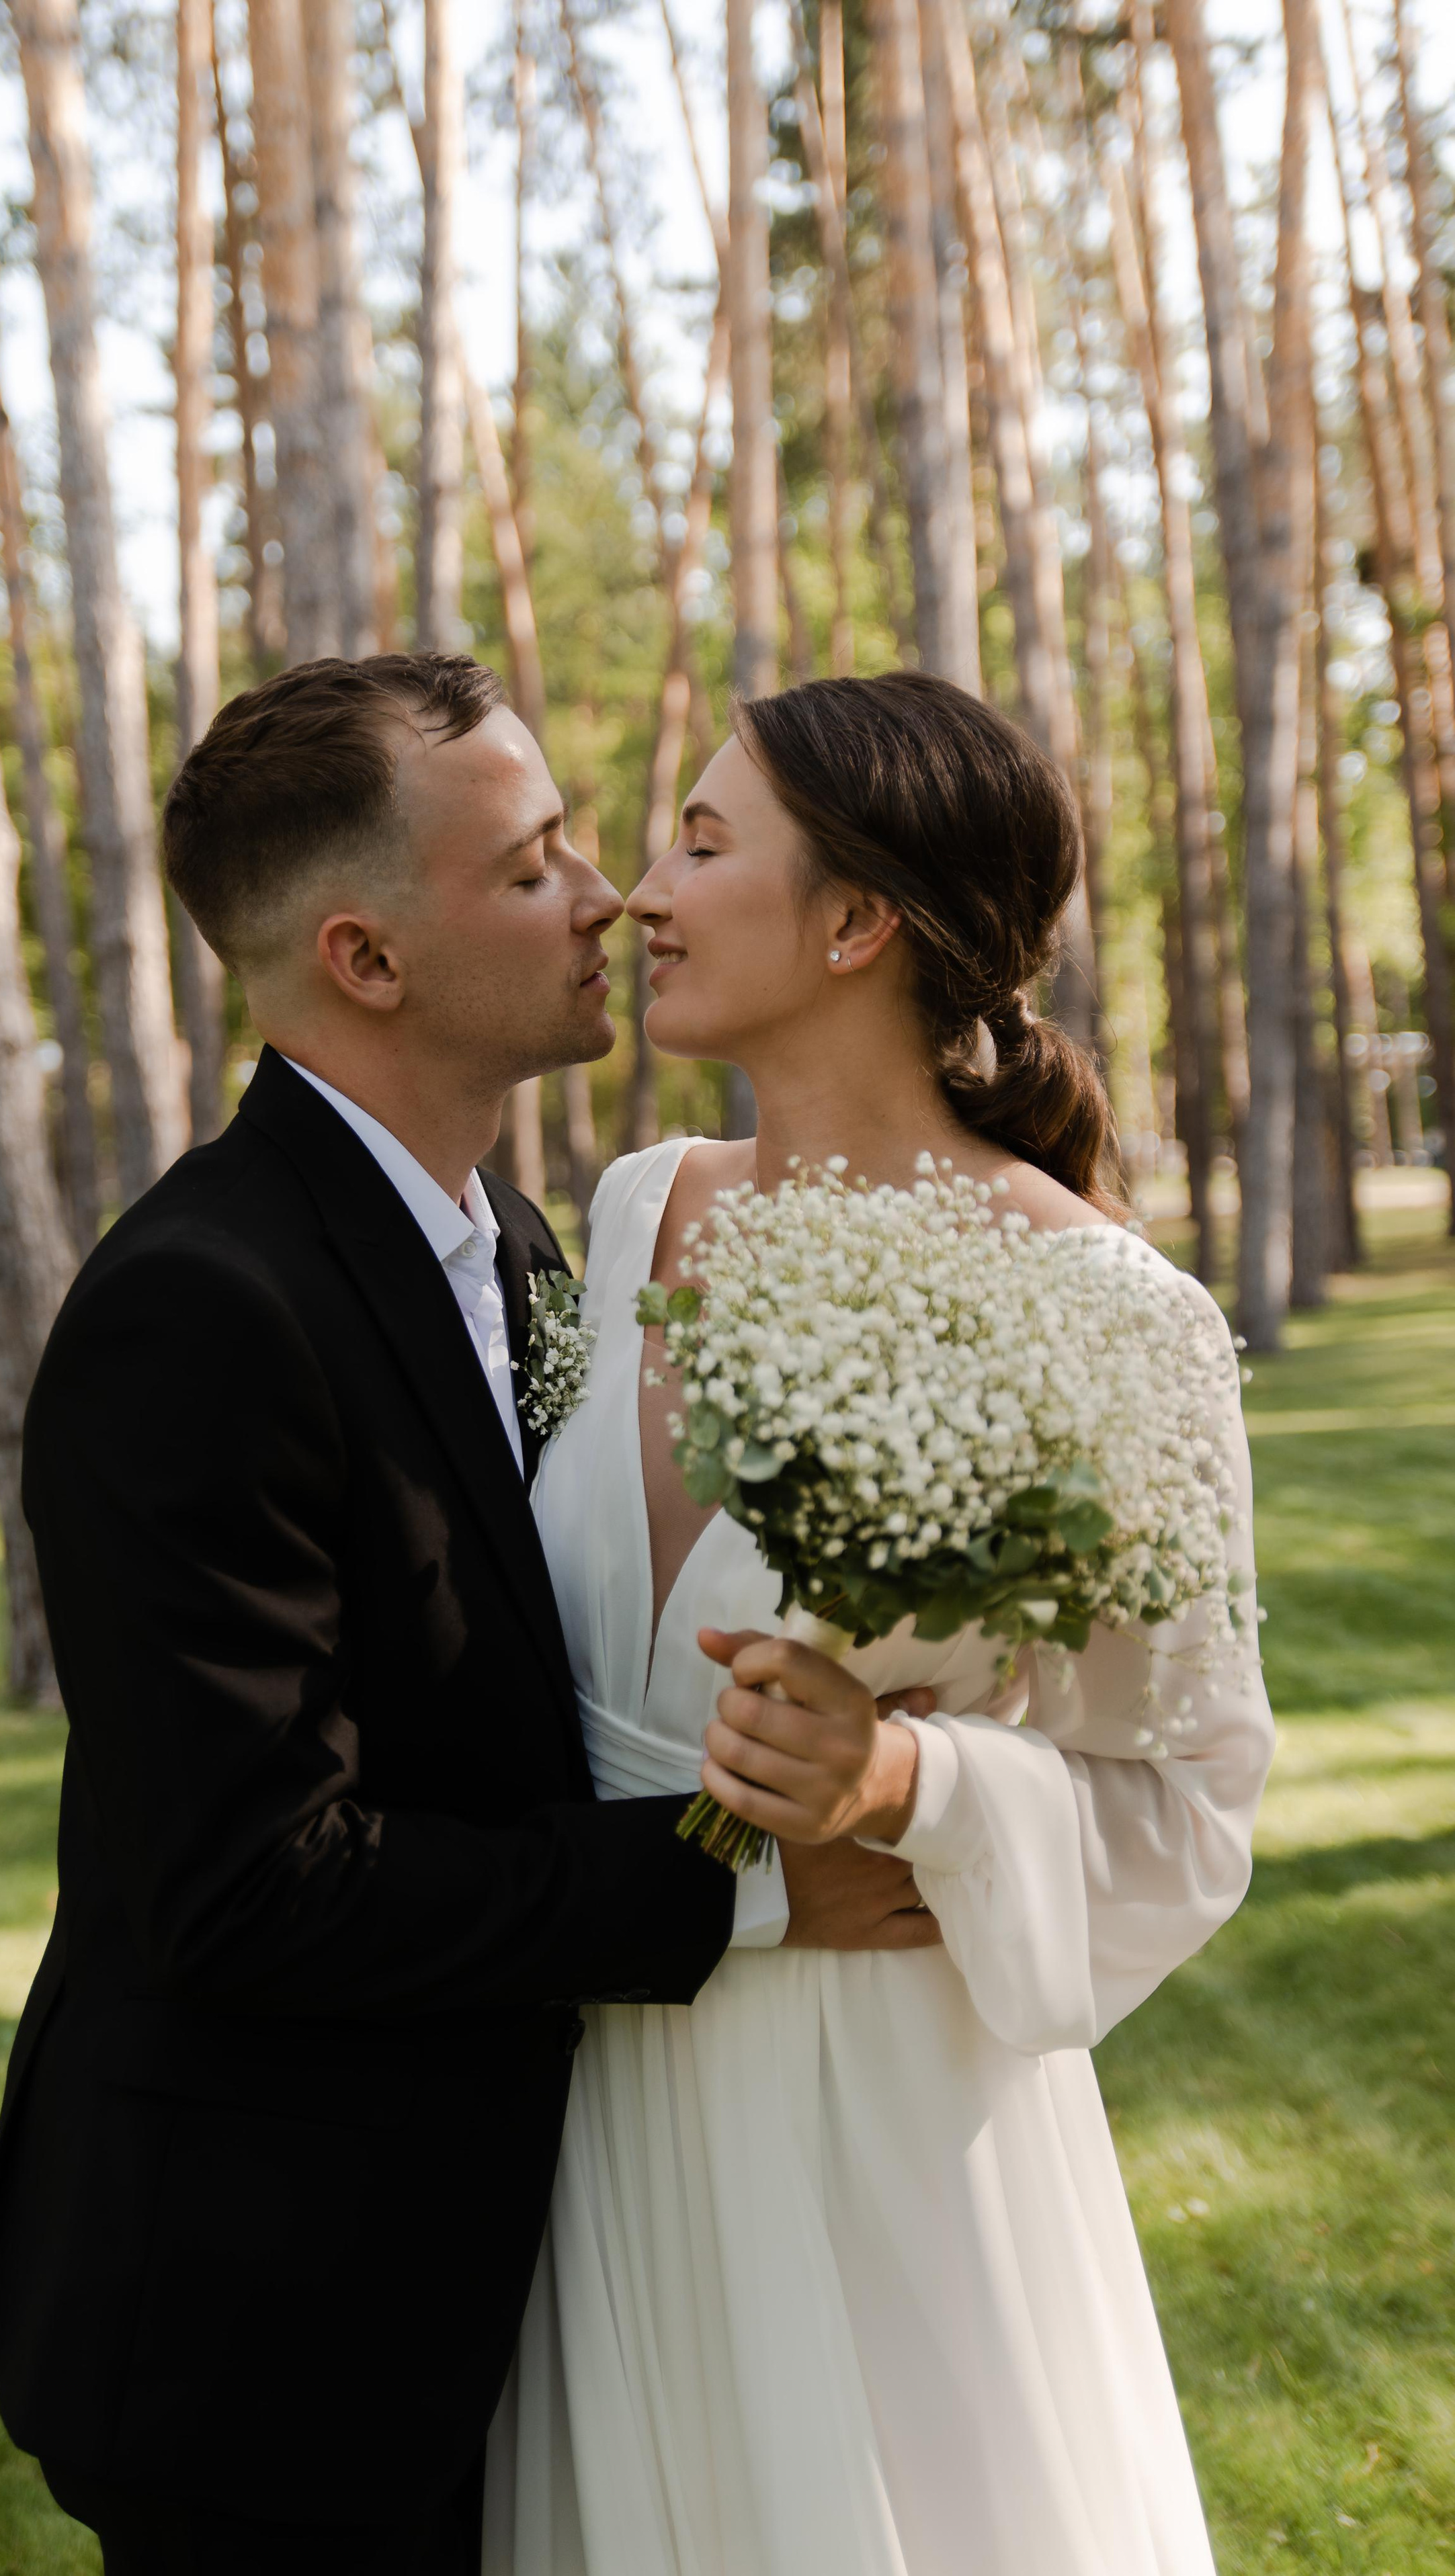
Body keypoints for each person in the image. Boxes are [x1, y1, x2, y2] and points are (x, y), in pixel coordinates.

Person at [0, 654, 932, 2576]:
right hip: (270, 2329)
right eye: (536, 864)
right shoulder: (196, 1310)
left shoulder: (527, 1248)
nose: (607, 897)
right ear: (368, 958)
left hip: (517, 2267)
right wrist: (736, 1885)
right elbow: (255, 1888)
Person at [482, 671, 1274, 2576]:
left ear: (854, 922)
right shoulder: (639, 1208)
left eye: (700, 846)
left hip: (878, 2116)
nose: (640, 895)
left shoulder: (1113, 1314)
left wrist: (908, 1780)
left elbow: (1191, 1808)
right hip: (593, 2089)